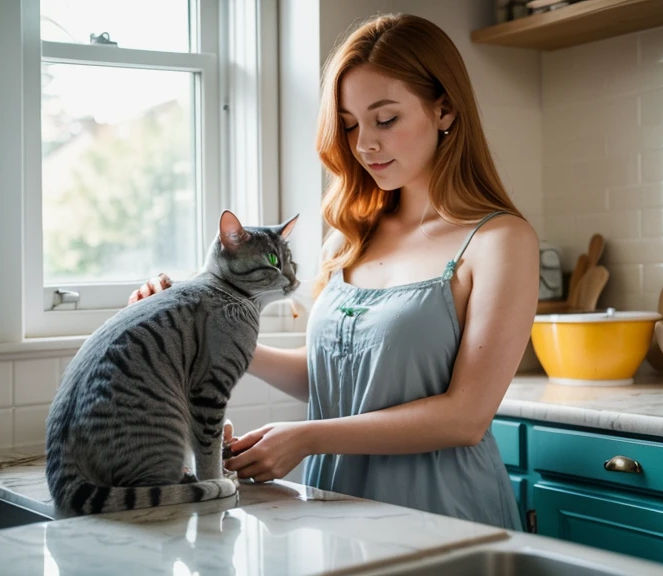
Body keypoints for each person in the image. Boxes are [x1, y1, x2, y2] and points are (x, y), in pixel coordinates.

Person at [130, 13, 539, 530]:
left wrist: (307, 438)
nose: (363, 143)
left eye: (384, 120)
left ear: (445, 109)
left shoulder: (501, 242)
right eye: (348, 125)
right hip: (331, 505)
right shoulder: (351, 234)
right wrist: (203, 334)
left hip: (442, 510)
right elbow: (330, 373)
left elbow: (466, 417)